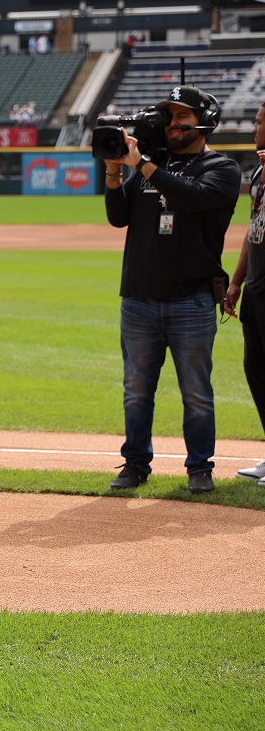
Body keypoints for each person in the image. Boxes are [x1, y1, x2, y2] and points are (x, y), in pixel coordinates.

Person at [103, 86, 240, 493]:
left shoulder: (222, 168)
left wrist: (142, 165)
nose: (171, 124)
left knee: (196, 392)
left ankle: (200, 468)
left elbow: (192, 198)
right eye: (168, 116)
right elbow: (119, 217)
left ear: (203, 122)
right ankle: (135, 464)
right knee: (136, 390)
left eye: (181, 116)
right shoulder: (153, 163)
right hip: (140, 298)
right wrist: (114, 171)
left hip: (192, 300)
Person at [222, 102, 265, 485]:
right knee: (256, 367)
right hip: (256, 286)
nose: (254, 128)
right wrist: (236, 281)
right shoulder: (259, 172)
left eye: (260, 121)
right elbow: (253, 229)